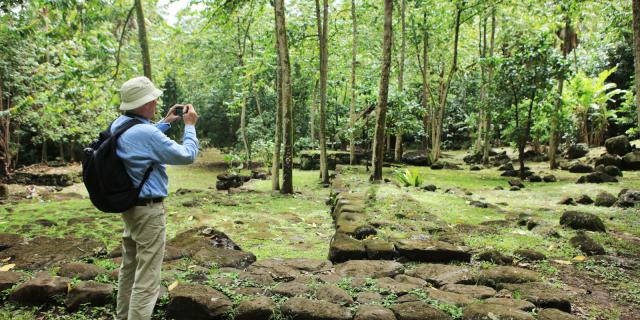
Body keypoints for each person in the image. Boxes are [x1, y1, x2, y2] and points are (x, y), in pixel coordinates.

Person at [113, 76, 199, 320]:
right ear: (145, 103)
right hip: (148, 212)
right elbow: (186, 155)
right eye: (153, 98)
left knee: (129, 268)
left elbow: (139, 139)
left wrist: (165, 123)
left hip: (129, 207)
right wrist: (190, 126)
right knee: (148, 277)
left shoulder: (119, 124)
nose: (157, 101)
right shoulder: (145, 133)